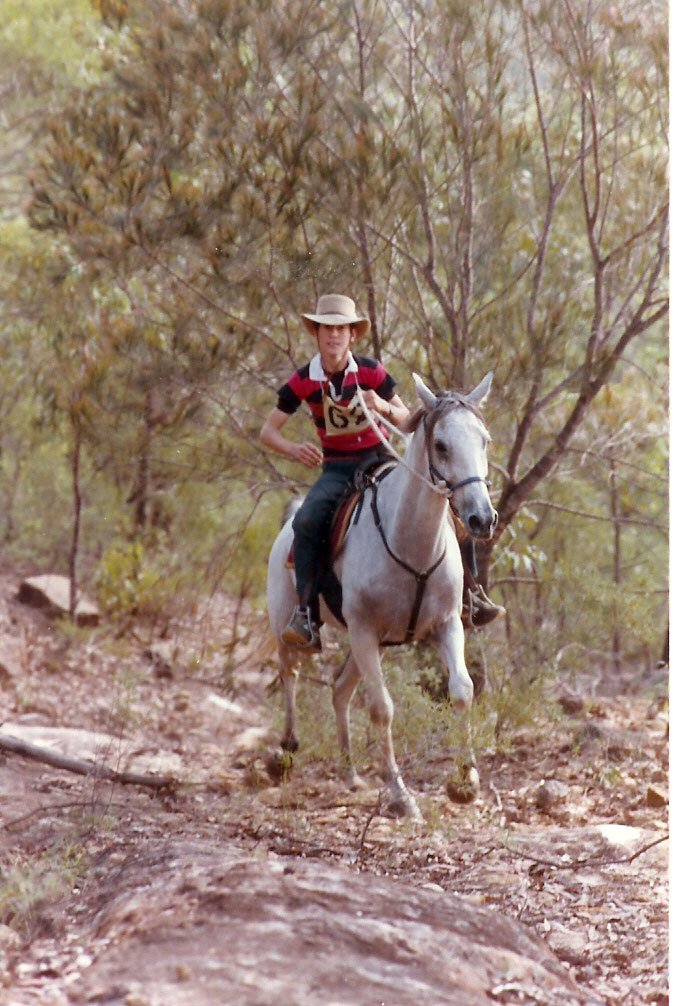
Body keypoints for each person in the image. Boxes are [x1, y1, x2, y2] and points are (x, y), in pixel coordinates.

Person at [260, 292, 502, 649]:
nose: (333, 336)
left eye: (340, 329)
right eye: (326, 329)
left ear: (352, 335)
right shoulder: (303, 380)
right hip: (337, 468)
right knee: (306, 522)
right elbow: (267, 431)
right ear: (317, 334)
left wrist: (381, 406)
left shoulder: (371, 371)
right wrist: (294, 449)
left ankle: (471, 593)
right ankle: (306, 615)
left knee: (453, 510)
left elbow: (408, 420)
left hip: (381, 459)